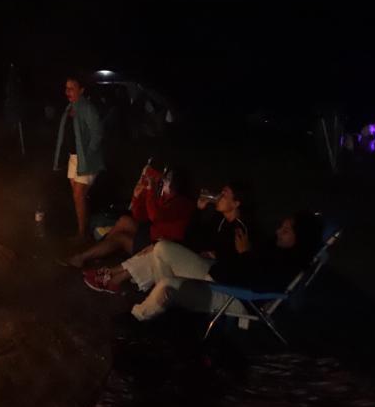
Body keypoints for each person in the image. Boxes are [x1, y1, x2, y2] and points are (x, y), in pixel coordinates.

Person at [129, 212, 323, 322]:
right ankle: (165, 310)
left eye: (286, 231)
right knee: (162, 248)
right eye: (281, 226)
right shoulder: (274, 245)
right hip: (216, 273)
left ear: (300, 239)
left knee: (167, 285)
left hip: (233, 295)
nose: (279, 231)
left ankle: (138, 318)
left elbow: (255, 282)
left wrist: (245, 254)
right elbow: (239, 262)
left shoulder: (288, 264)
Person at [83, 181, 252, 293]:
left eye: (224, 195)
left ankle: (113, 274)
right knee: (158, 249)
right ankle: (115, 278)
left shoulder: (239, 228)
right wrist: (199, 211)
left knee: (160, 248)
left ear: (236, 203)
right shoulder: (219, 219)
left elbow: (237, 259)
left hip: (213, 271)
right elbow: (193, 236)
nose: (219, 197)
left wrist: (215, 254)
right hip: (200, 259)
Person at [65, 164, 194, 268]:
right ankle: (98, 252)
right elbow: (140, 216)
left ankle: (82, 257)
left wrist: (150, 191)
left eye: (168, 180)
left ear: (177, 184)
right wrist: (137, 196)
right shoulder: (167, 197)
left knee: (120, 238)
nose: (164, 182)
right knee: (125, 221)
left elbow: (155, 216)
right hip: (152, 234)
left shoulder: (182, 203)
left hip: (160, 246)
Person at [52, 76, 105, 241]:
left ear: (81, 90)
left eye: (72, 88)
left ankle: (82, 234)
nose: (67, 91)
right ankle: (84, 227)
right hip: (73, 158)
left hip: (86, 159)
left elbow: (98, 132)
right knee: (78, 196)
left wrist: (88, 153)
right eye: (66, 88)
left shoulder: (87, 108)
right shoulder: (70, 108)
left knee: (78, 195)